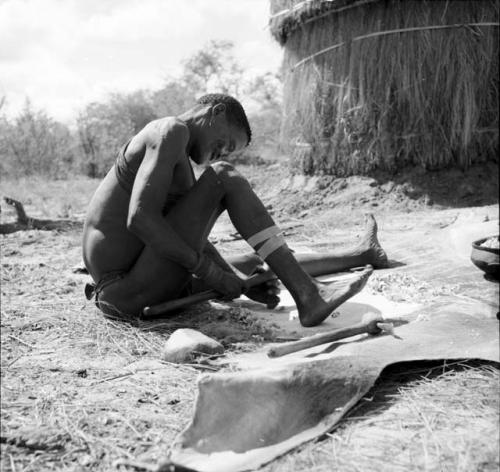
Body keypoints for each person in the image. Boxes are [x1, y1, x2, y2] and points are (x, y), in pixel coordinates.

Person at [82, 94, 387, 326]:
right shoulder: (170, 131)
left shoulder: (181, 162)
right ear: (214, 113)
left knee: (257, 262)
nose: (223, 151)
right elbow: (142, 219)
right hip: (125, 289)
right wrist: (209, 272)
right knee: (224, 174)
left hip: (141, 279)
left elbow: (183, 236)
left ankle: (364, 255)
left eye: (228, 149)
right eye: (226, 141)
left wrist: (234, 282)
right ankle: (310, 295)